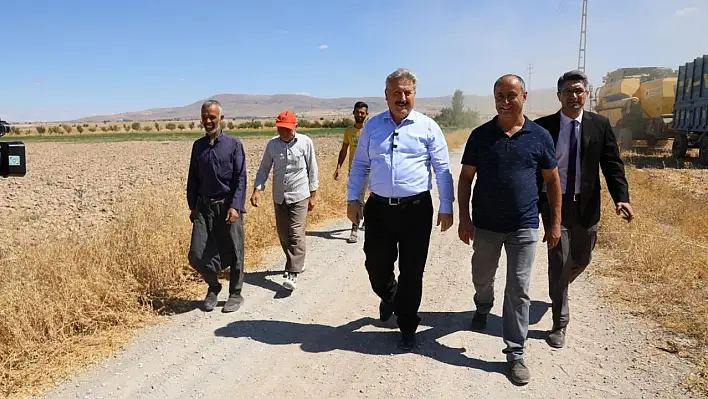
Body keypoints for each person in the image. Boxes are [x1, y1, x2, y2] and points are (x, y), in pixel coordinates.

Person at [457, 74, 562, 385]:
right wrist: (465, 218)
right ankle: (482, 305)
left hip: (524, 226)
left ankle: (515, 352)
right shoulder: (480, 135)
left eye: (511, 95)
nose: (504, 101)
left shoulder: (539, 135)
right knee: (482, 277)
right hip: (486, 226)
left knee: (518, 289)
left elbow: (553, 181)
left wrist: (554, 222)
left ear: (524, 96)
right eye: (499, 95)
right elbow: (465, 179)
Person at [346, 68, 454, 351]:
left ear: (414, 94)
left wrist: (446, 206)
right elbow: (359, 166)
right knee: (376, 266)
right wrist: (352, 199)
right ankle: (390, 295)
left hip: (416, 210)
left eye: (407, 93)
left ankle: (407, 324)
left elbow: (442, 169)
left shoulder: (428, 127)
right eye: (397, 93)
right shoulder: (372, 126)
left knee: (412, 271)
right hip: (379, 209)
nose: (402, 98)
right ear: (386, 95)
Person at [535, 70, 633, 349]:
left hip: (587, 204)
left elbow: (612, 165)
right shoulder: (544, 127)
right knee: (560, 260)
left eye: (579, 91)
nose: (574, 96)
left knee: (583, 258)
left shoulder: (599, 125)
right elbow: (534, 169)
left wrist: (621, 197)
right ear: (559, 96)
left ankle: (560, 286)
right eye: (568, 91)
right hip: (555, 205)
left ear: (587, 94)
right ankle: (559, 323)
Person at [186, 99, 247, 313]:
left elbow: (241, 178)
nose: (208, 121)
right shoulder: (198, 146)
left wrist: (236, 207)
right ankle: (214, 286)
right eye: (205, 117)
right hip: (204, 207)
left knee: (235, 250)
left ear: (221, 118)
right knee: (196, 254)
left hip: (228, 206)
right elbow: (192, 178)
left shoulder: (234, 145)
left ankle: (235, 293)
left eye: (212, 117)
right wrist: (192, 206)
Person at [251, 110, 319, 291]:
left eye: (287, 129)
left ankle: (292, 272)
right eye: (281, 129)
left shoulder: (305, 143)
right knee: (283, 233)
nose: (284, 132)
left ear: (295, 127)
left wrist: (313, 194)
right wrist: (257, 189)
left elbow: (312, 169)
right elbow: (264, 169)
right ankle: (296, 261)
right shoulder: (272, 145)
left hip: (300, 195)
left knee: (296, 232)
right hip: (280, 196)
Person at [334, 101, 370, 243]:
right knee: (357, 198)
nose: (359, 115)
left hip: (371, 168)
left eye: (362, 113)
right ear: (353, 113)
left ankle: (362, 221)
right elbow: (344, 150)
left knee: (368, 197)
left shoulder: (370, 130)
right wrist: (338, 167)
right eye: (357, 112)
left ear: (367, 115)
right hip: (354, 170)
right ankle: (355, 228)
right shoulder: (349, 131)